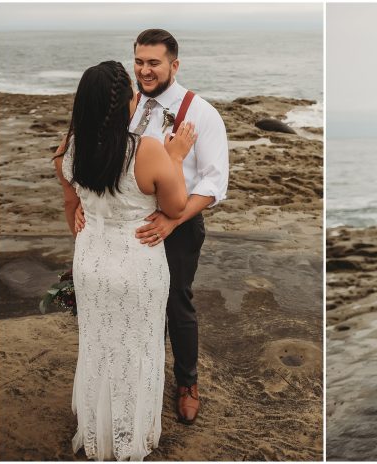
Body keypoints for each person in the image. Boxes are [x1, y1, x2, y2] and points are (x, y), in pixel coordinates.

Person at [75, 29, 229, 424]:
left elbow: (214, 183)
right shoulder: (121, 103)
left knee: (177, 302)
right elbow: (91, 153)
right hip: (125, 227)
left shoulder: (202, 113)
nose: (144, 70)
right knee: (131, 305)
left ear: (174, 65)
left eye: (154, 63)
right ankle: (138, 382)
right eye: (139, 62)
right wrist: (81, 205)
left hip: (179, 223)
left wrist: (173, 219)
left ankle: (187, 384)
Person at [54, 60, 197, 460]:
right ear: (126, 103)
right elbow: (176, 206)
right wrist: (176, 157)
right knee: (138, 346)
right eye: (133, 92)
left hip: (91, 260)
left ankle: (97, 428)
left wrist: (89, 224)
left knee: (98, 343)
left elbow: (72, 208)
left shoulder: (67, 149)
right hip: (137, 262)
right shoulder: (146, 150)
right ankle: (130, 437)